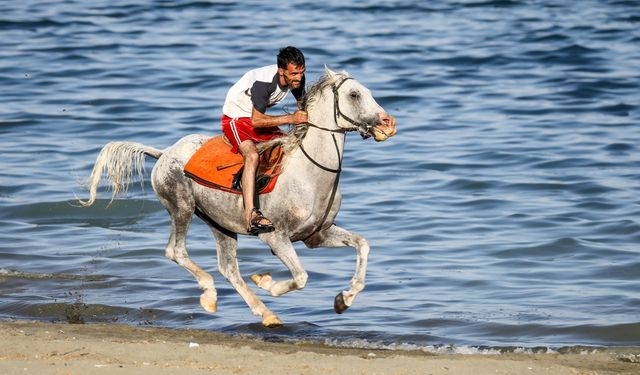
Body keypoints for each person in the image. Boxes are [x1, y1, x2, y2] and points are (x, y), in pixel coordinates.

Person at [221, 46, 308, 234]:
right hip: (236, 117)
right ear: (281, 71)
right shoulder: (263, 83)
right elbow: (256, 120)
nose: (299, 78)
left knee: (292, 149)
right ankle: (251, 214)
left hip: (255, 117)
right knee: (252, 156)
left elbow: (304, 109)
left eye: (301, 72)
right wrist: (291, 119)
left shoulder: (296, 79)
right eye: (294, 73)